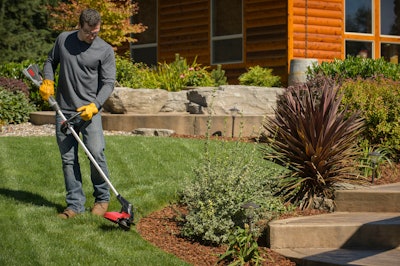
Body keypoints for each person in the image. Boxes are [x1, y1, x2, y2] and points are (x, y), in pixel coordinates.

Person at [39, 9, 116, 219]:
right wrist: (48, 80)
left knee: (96, 153)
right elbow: (50, 61)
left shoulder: (105, 50)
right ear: (79, 26)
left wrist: (95, 105)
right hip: (64, 110)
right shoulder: (64, 40)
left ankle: (102, 198)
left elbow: (109, 83)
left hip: (89, 112)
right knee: (68, 159)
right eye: (89, 32)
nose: (93, 36)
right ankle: (74, 205)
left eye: (96, 32)